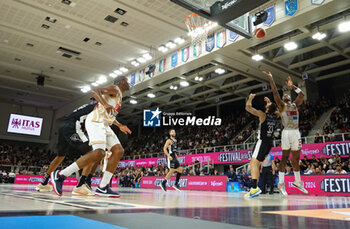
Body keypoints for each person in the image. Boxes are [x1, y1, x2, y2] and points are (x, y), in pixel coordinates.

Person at [51, 76, 131, 197]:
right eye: (127, 81)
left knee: (118, 150)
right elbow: (95, 91)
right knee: (99, 153)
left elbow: (109, 115)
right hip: (95, 121)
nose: (129, 83)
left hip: (104, 124)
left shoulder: (119, 95)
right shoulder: (114, 88)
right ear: (121, 82)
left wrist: (119, 125)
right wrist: (105, 104)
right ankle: (61, 175)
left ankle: (103, 187)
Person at [36, 99, 98, 195]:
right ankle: (80, 185)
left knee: (60, 156)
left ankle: (43, 183)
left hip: (63, 125)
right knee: (92, 154)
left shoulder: (88, 106)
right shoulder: (99, 107)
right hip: (73, 127)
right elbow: (87, 126)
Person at [263, 71, 308, 196]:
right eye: (284, 96)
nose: (286, 96)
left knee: (296, 159)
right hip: (287, 132)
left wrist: (292, 86)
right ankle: (281, 183)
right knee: (284, 158)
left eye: (287, 95)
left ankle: (298, 182)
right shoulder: (282, 106)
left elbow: (302, 94)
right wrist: (271, 78)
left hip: (296, 132)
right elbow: (275, 93)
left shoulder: (295, 104)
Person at [244, 94, 278, 198]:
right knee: (256, 164)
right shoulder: (276, 116)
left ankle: (254, 188)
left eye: (267, 106)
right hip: (269, 143)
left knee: (253, 164)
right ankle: (255, 188)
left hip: (262, 142)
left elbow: (248, 108)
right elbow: (276, 110)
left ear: (268, 109)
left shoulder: (263, 115)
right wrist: (270, 104)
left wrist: (250, 98)